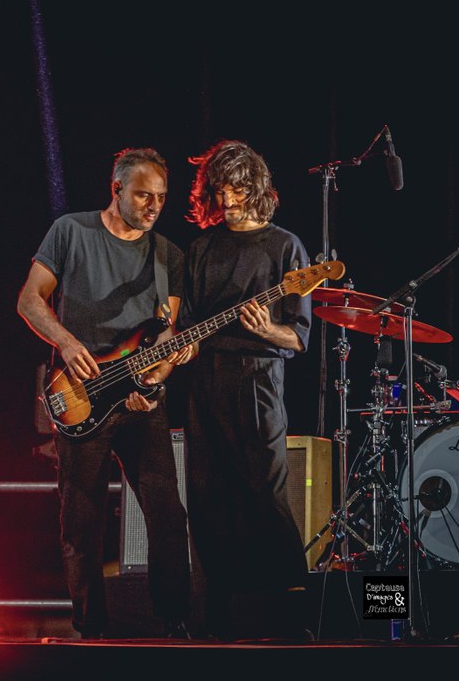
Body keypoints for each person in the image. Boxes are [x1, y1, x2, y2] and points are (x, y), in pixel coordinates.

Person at [17, 147, 192, 640]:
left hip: (140, 406)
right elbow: (30, 300)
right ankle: (90, 630)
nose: (154, 206)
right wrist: (66, 343)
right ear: (116, 189)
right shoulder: (70, 231)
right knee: (81, 521)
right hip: (78, 395)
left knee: (168, 513)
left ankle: (174, 622)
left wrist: (154, 381)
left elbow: (165, 335)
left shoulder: (168, 256)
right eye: (143, 195)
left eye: (161, 197)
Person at [180, 139, 313, 640]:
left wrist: (267, 329)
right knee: (206, 495)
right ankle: (214, 615)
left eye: (236, 188)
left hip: (258, 378)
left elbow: (298, 337)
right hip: (205, 379)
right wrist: (179, 348)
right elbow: (187, 324)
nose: (227, 198)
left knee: (266, 492)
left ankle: (292, 609)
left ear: (255, 187)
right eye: (219, 189)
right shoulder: (201, 248)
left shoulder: (286, 247)